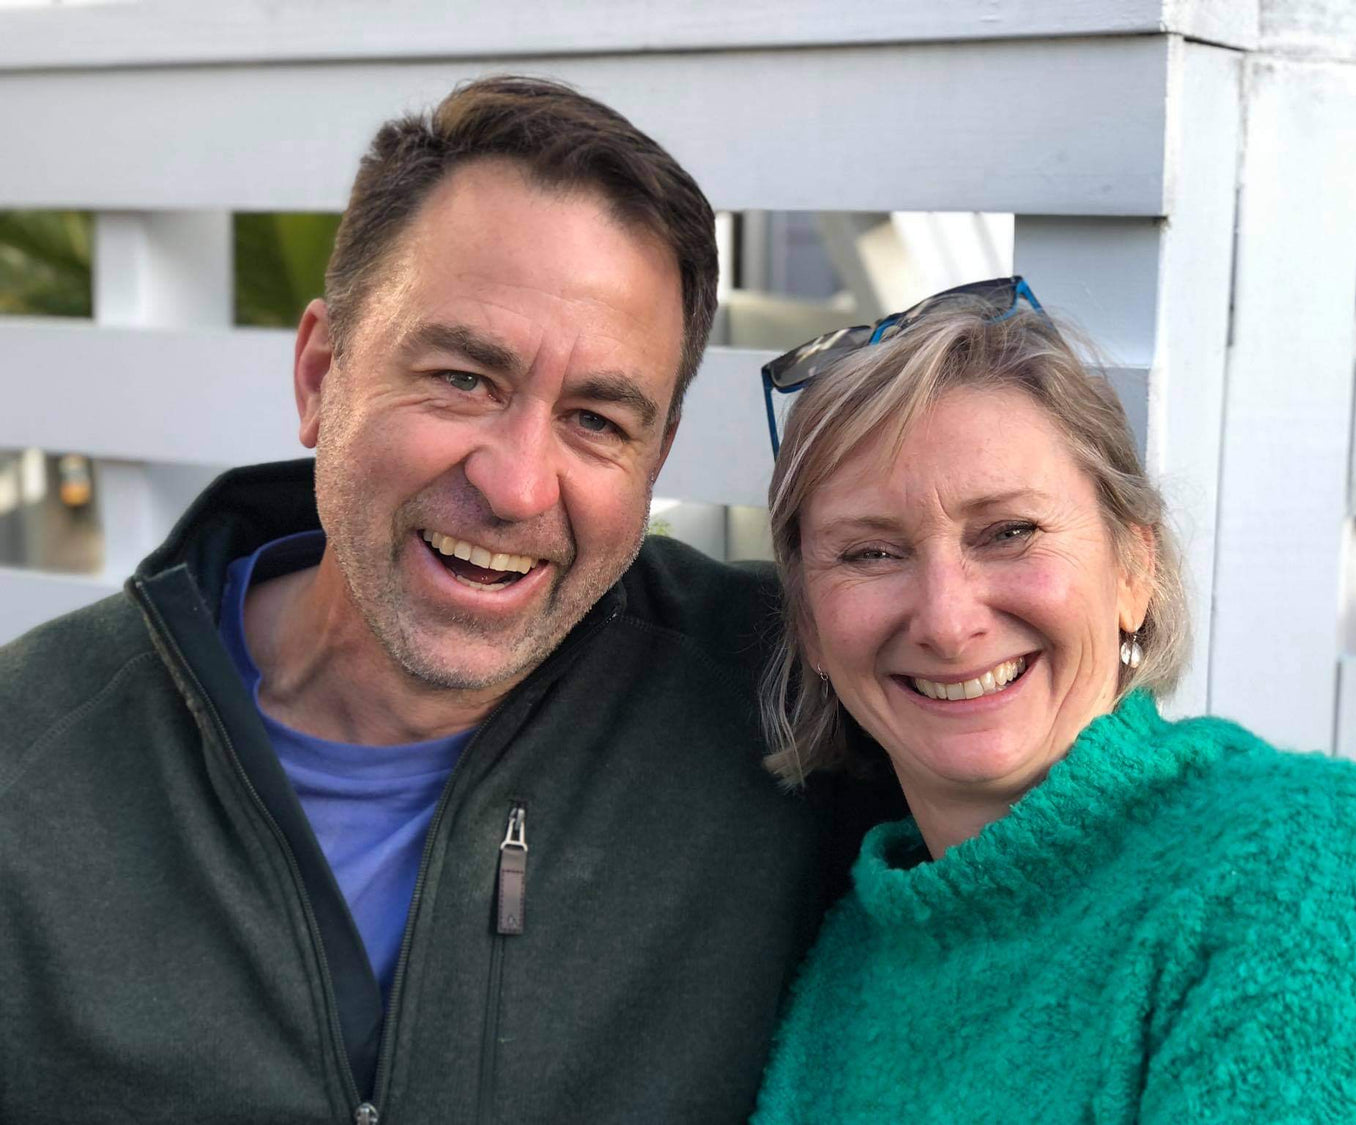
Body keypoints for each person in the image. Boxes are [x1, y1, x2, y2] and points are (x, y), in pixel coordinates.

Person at [0, 77, 883, 1124]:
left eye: (598, 419)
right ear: (322, 373)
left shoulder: (795, 697)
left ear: (657, 460)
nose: (515, 485)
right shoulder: (29, 761)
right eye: (465, 377)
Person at [750, 288, 1356, 1123]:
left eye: (1010, 532)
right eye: (871, 551)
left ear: (1135, 569)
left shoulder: (1315, 869)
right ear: (811, 628)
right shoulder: (849, 954)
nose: (948, 621)